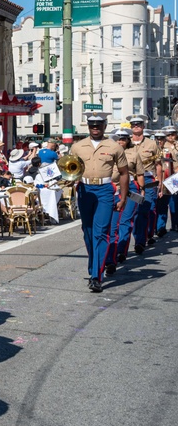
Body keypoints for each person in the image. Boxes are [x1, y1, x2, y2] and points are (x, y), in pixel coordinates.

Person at [69, 113, 127, 293]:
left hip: (104, 191)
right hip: (85, 191)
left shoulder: (114, 146)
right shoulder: (78, 146)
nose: (95, 128)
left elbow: (124, 173)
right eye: (92, 125)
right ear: (88, 126)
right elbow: (71, 169)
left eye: (99, 125)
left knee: (101, 233)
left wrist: (123, 197)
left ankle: (96, 276)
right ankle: (94, 264)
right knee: (88, 232)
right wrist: (69, 179)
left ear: (104, 125)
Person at [107, 128, 144, 270]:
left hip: (130, 189)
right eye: (118, 138)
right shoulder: (109, 151)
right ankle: (113, 253)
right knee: (112, 225)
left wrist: (142, 190)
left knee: (125, 221)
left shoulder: (134, 154)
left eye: (123, 139)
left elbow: (140, 174)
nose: (120, 141)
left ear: (128, 140)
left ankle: (121, 250)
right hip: (112, 189)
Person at [128, 114, 162, 254]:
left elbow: (158, 164)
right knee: (132, 212)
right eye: (134, 125)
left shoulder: (151, 144)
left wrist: (159, 182)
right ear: (131, 127)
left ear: (143, 126)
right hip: (130, 181)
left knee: (143, 210)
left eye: (139, 124)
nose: (136, 127)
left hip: (147, 180)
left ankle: (140, 241)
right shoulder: (125, 142)